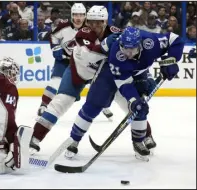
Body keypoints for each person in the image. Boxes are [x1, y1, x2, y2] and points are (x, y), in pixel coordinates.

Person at [66, 26, 184, 161]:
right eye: (125, 48)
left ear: (140, 45)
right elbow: (124, 83)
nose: (128, 53)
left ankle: (138, 142)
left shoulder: (151, 42)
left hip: (139, 72)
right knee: (93, 104)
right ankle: (74, 139)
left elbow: (175, 39)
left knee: (141, 108)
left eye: (132, 49)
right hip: (110, 73)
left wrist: (171, 60)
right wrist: (133, 100)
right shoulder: (117, 54)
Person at [30, 5, 121, 154]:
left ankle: (143, 138)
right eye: (91, 22)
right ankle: (34, 138)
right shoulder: (82, 33)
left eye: (99, 22)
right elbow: (90, 55)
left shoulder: (115, 33)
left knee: (127, 100)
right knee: (60, 102)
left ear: (105, 21)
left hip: (101, 76)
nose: (95, 26)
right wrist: (106, 45)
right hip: (77, 72)